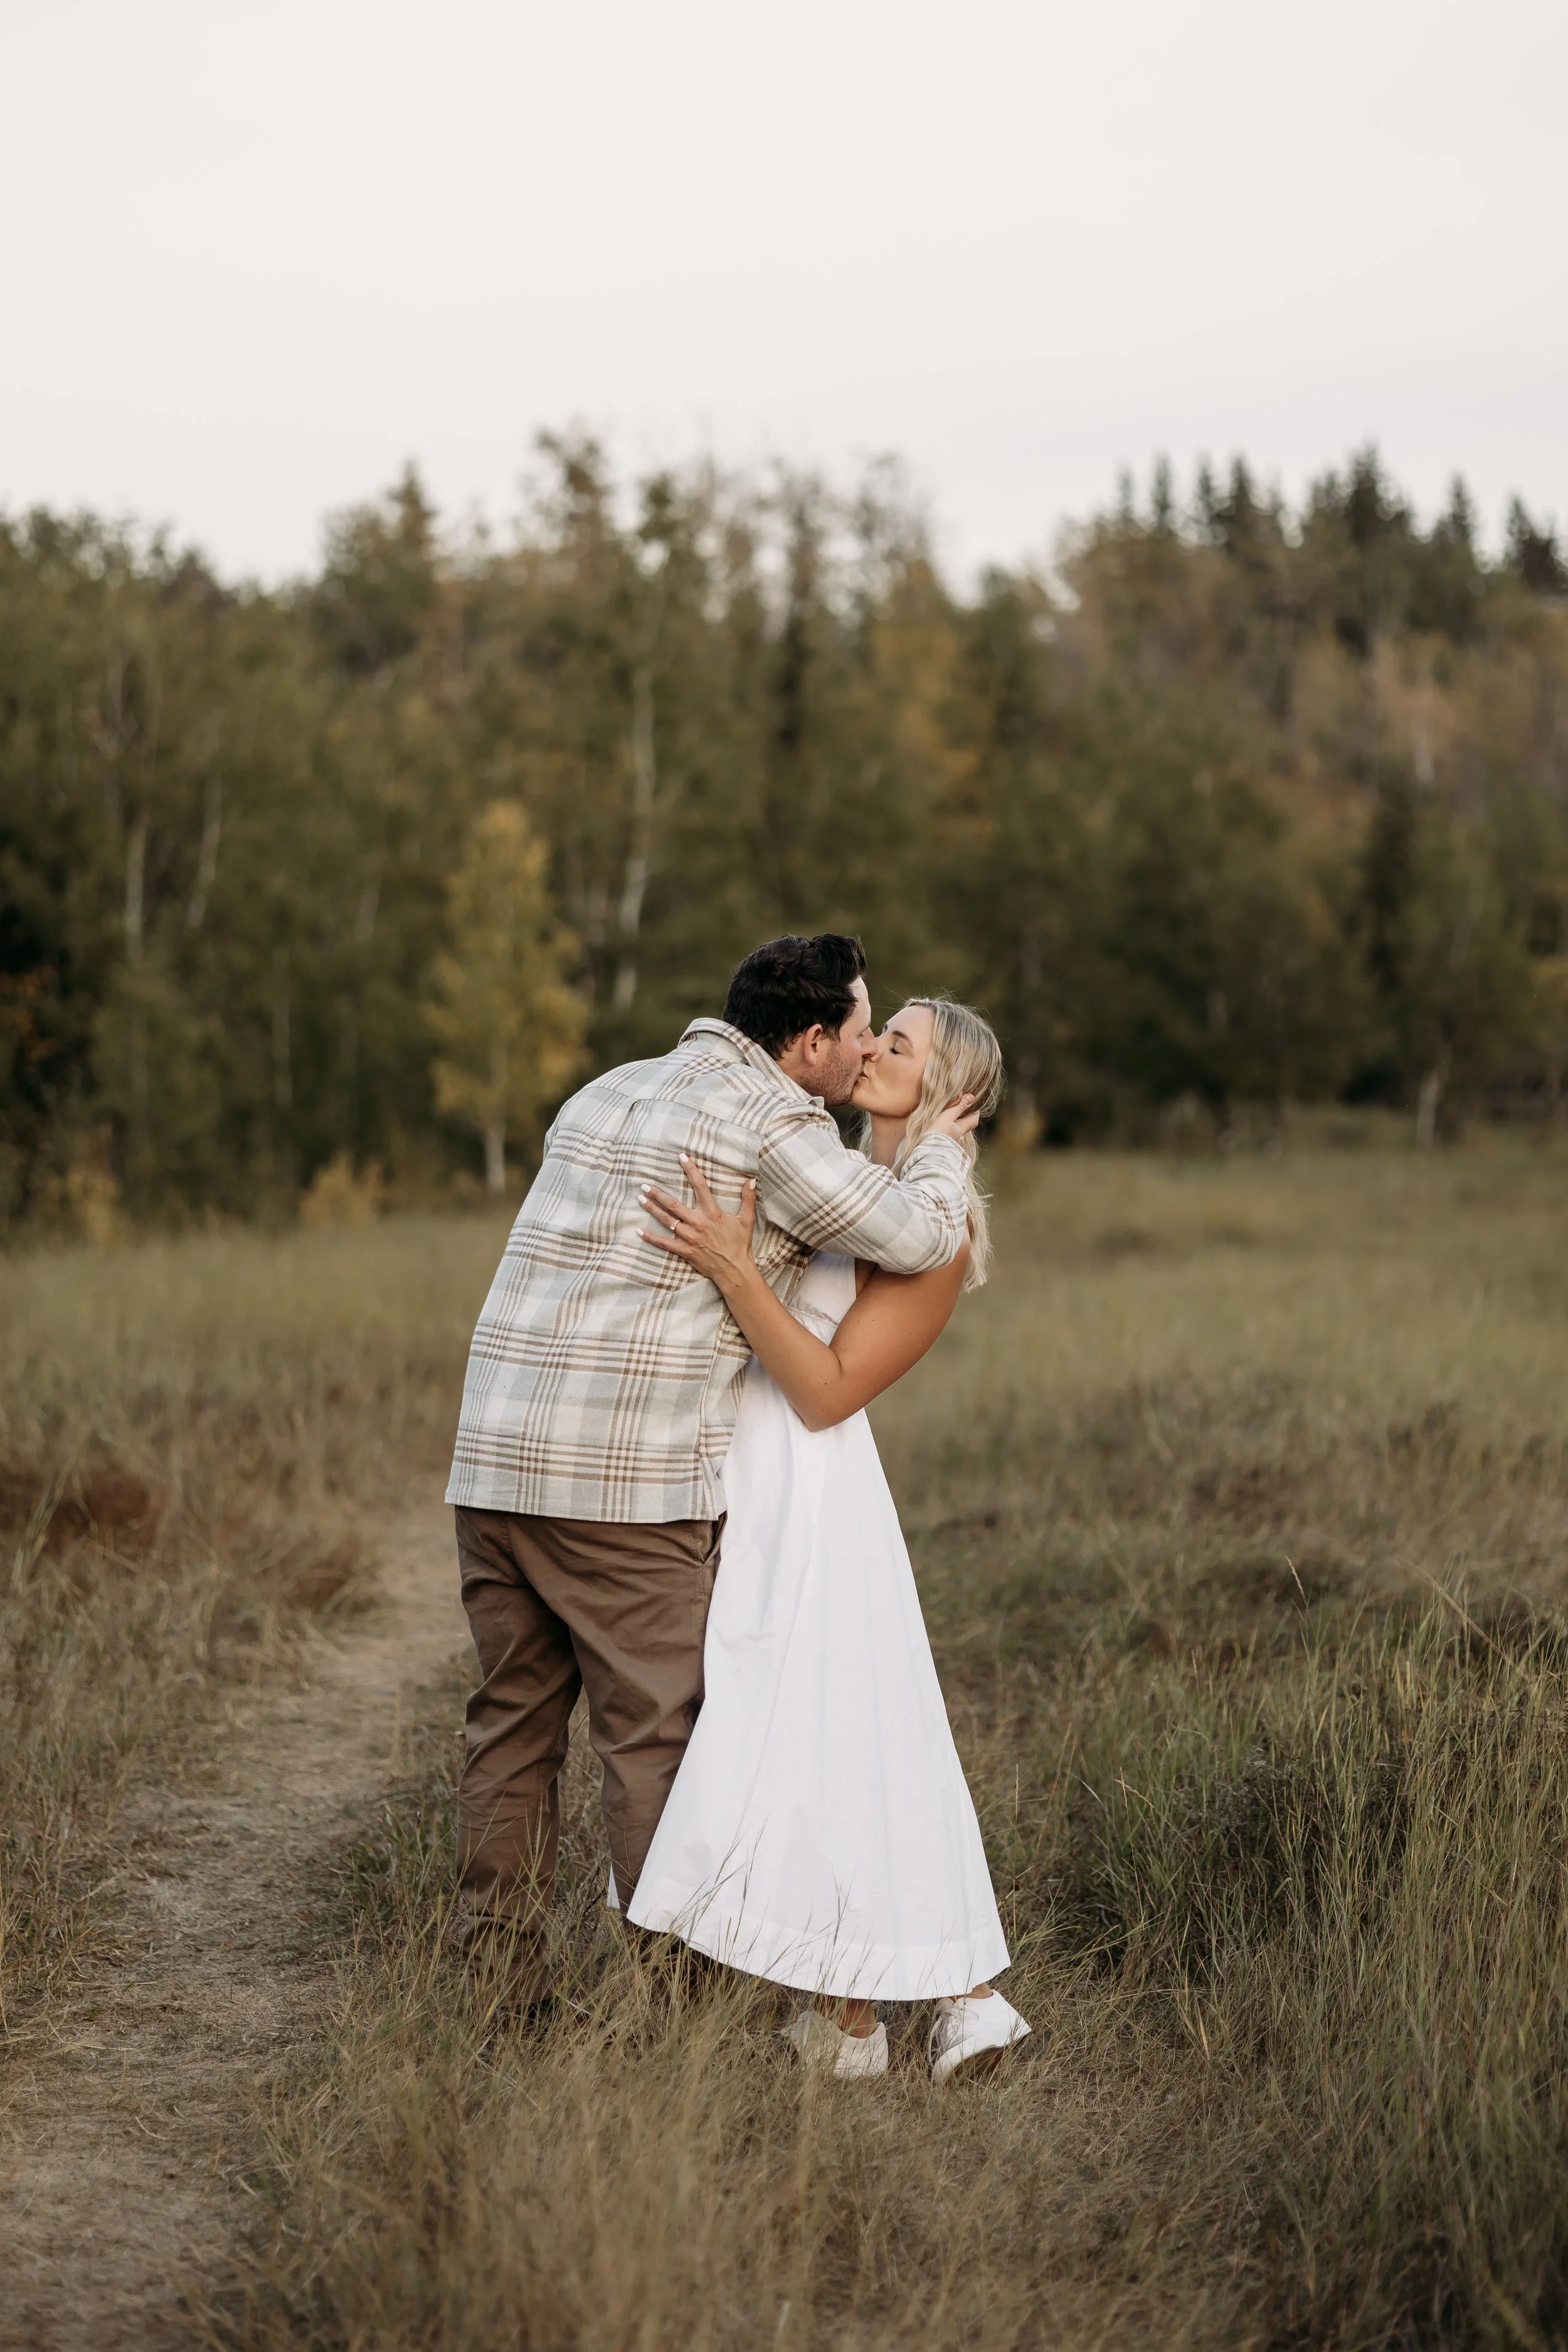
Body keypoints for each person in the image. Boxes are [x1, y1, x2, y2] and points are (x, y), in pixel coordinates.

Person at [446, 935, 979, 2005]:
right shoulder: (771, 1119)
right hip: (622, 1493)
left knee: (511, 1726)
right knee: (653, 1743)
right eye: (862, 1026)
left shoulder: (609, 1088)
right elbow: (919, 1234)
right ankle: (671, 2018)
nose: (870, 1043)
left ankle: (497, 1995)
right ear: (812, 1041)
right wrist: (947, 1144)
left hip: (492, 1463)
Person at [629, 998, 1031, 2084]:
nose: (868, 1048)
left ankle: (955, 1999)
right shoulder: (842, 1180)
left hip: (814, 1494)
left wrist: (732, 1265)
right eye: (873, 1030)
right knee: (822, 1740)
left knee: (835, 1734)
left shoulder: (934, 1246)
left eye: (895, 1044)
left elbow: (825, 1392)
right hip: (747, 1476)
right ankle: (859, 2014)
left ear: (952, 1094)